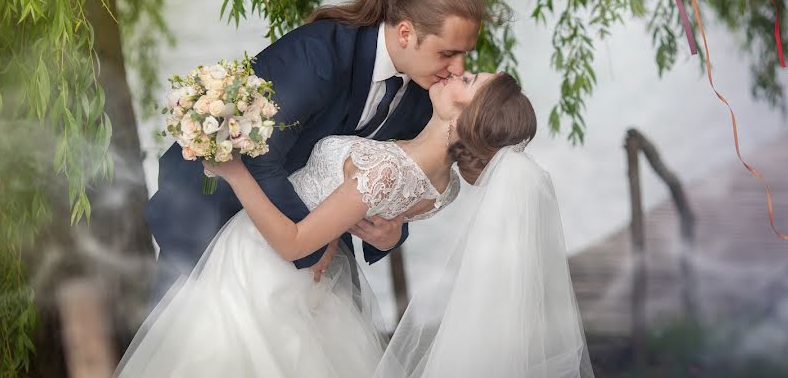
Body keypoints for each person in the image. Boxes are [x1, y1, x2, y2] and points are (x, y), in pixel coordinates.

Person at [117, 72, 593, 377]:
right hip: (314, 288)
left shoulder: (386, 168)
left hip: (262, 269)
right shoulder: (440, 185)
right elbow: (350, 222)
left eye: (467, 79)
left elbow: (294, 242)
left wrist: (234, 170)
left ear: (464, 115)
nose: (454, 71)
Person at [145, 0, 485, 304]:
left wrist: (391, 233)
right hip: (214, 210)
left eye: (465, 54)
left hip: (306, 236)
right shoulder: (319, 54)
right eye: (447, 53)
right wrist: (310, 249)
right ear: (406, 33)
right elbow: (260, 157)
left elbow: (397, 173)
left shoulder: (424, 95)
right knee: (185, 338)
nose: (458, 68)